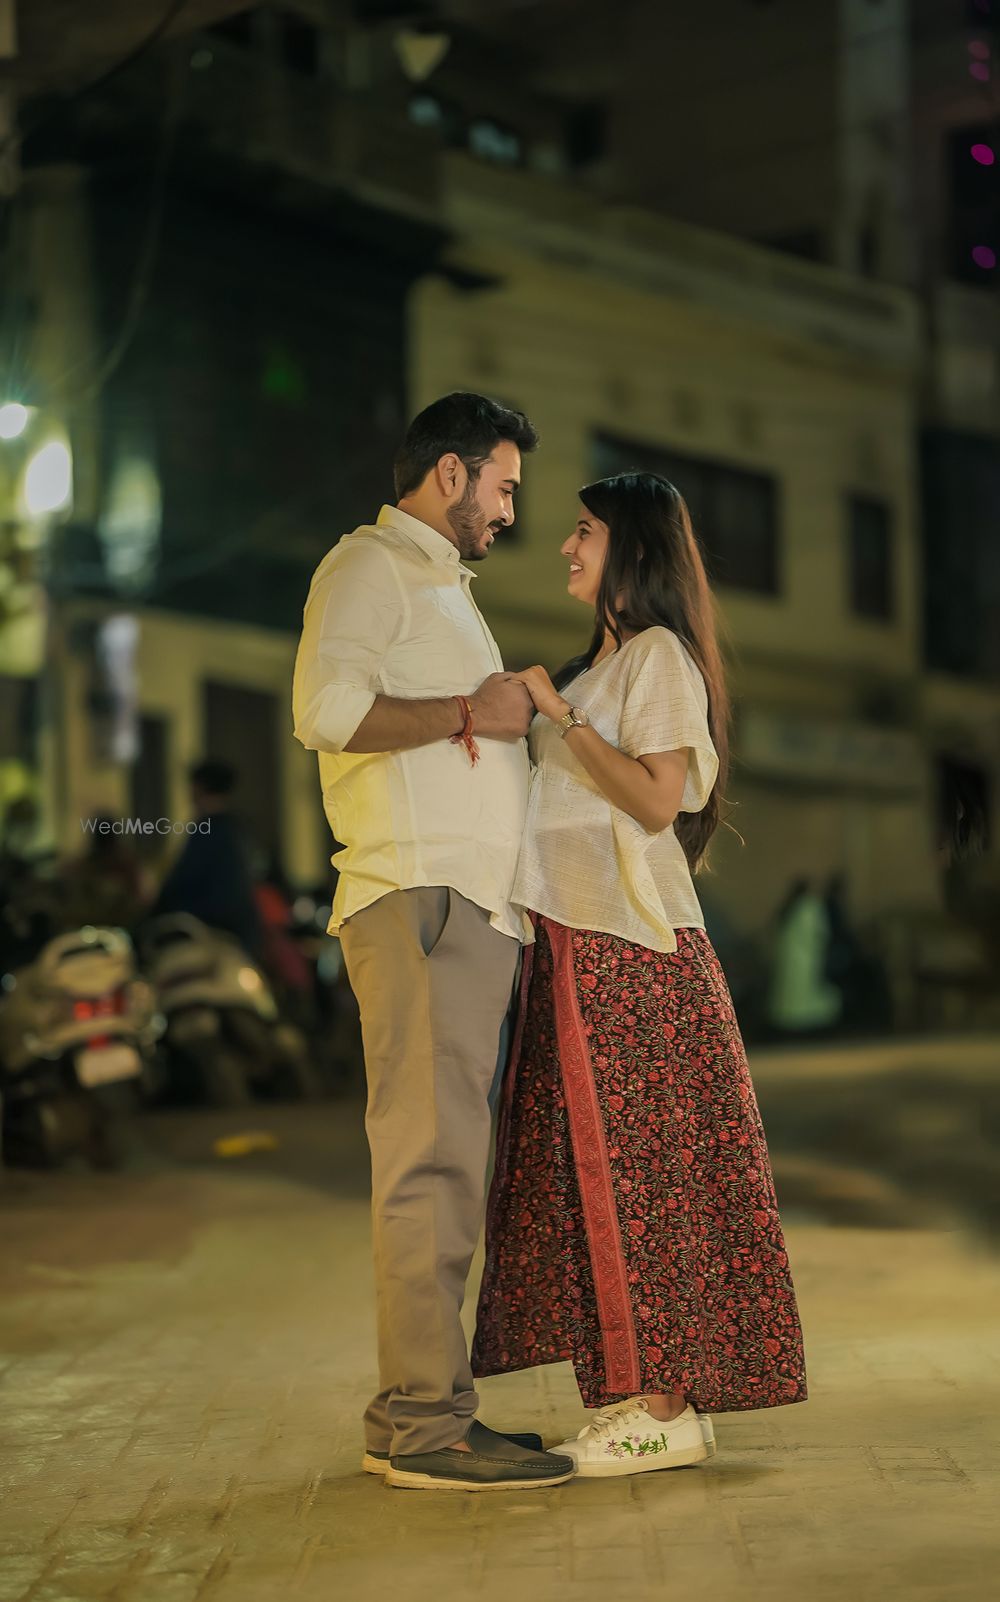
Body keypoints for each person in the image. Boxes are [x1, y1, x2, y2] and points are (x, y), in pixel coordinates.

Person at [471, 471, 807, 1477]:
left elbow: (657, 801)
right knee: (595, 1183)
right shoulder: (586, 674)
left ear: (635, 551)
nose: (565, 548)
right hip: (572, 944)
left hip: (630, 952)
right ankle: (643, 1398)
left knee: (648, 1176)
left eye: (583, 532)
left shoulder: (655, 660)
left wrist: (555, 721)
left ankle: (663, 1406)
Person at [291, 392, 576, 1492]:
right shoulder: (367, 566)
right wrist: (470, 713)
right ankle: (421, 1427)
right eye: (503, 486)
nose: (510, 510)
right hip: (419, 901)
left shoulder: (438, 588)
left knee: (450, 1166)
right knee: (428, 1166)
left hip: (463, 910)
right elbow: (325, 709)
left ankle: (429, 1409)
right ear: (450, 475)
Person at [152, 761, 263, 960]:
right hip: (241, 936)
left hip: (206, 935)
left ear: (198, 788)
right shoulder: (238, 829)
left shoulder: (206, 831)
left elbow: (182, 881)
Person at [766, 876, 842, 1036]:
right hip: (807, 959)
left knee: (791, 994)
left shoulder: (788, 907)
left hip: (790, 960)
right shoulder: (810, 907)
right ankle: (807, 1025)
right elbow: (821, 932)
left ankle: (790, 1025)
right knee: (806, 993)